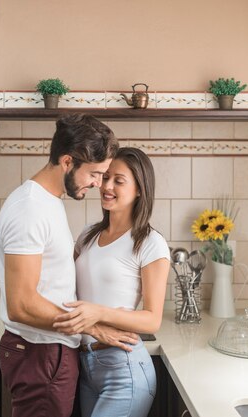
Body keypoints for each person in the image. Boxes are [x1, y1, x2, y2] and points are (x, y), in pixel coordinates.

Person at [0, 114, 139, 417]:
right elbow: (21, 304)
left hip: (49, 353)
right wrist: (94, 327)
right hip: (41, 355)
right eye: (95, 173)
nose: (98, 183)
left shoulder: (48, 202)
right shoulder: (30, 209)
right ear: (67, 162)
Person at [53, 147, 171, 417]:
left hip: (124, 370)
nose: (107, 186)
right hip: (86, 363)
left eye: (119, 180)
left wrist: (98, 313)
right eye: (106, 178)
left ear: (140, 189)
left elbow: (152, 320)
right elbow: (64, 285)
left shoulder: (150, 243)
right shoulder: (88, 235)